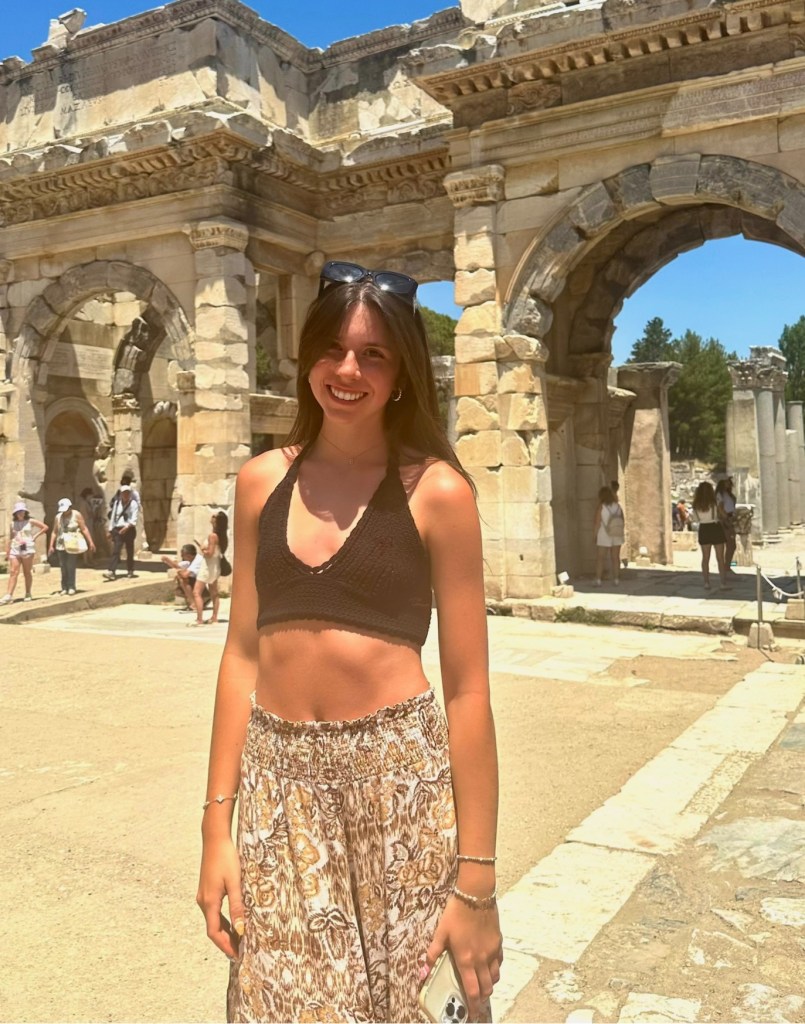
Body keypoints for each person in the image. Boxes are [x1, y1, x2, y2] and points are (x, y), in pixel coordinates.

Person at [196, 260, 501, 1023]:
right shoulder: (260, 482)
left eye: (373, 355)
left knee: (408, 1006)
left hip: (398, 788)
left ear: (401, 373)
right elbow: (241, 657)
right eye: (331, 349)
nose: (347, 371)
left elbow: (468, 692)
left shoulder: (437, 492)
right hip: (278, 787)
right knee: (274, 1005)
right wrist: (214, 829)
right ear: (306, 359)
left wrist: (476, 885)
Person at [1, 501, 48, 605]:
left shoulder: (30, 521)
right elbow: (11, 537)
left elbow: (45, 527)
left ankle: (28, 592)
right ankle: (9, 594)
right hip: (15, 548)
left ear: (25, 512)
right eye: (18, 511)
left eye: (22, 511)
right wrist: (8, 550)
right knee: (13, 571)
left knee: (27, 572)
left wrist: (35, 536)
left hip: (27, 548)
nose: (20, 513)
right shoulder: (13, 523)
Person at [48, 497, 96, 596]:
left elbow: (84, 528)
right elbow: (54, 532)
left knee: (70, 565)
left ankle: (71, 586)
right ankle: (64, 587)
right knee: (63, 566)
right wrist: (51, 545)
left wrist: (90, 542)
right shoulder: (58, 517)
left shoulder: (76, 515)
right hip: (61, 544)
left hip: (72, 543)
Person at [191, 511, 228, 626]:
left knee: (196, 592)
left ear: (216, 521)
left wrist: (203, 549)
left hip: (207, 566)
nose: (211, 517)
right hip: (215, 566)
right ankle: (214, 617)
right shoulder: (222, 536)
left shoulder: (212, 536)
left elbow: (210, 553)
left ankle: (199, 619)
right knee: (214, 593)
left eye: (214, 516)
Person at [692, 481, 728, 590]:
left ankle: (706, 582)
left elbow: (695, 520)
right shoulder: (716, 502)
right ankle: (722, 583)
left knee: (705, 558)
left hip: (704, 529)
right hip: (715, 527)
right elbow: (723, 515)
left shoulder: (696, 505)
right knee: (720, 558)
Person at [104, 485, 139, 581]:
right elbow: (113, 517)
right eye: (124, 493)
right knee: (116, 550)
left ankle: (130, 569)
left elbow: (134, 519)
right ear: (121, 494)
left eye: (127, 493)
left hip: (129, 529)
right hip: (118, 529)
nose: (126, 495)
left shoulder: (133, 504)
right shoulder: (117, 503)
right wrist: (110, 530)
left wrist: (126, 527)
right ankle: (111, 571)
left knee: (129, 550)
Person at [593, 484, 625, 585]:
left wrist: (594, 535)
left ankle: (598, 579)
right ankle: (616, 579)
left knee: (600, 558)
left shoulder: (601, 507)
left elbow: (597, 523)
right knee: (615, 557)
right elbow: (622, 521)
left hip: (604, 533)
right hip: (617, 534)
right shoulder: (618, 507)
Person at [161, 543, 208, 611]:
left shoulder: (198, 560)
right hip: (198, 584)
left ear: (188, 555)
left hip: (203, 587)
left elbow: (185, 575)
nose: (182, 556)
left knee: (183, 579)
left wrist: (178, 572)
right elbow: (177, 566)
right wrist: (167, 561)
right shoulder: (190, 561)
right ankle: (192, 602)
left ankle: (194, 604)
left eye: (183, 555)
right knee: (180, 583)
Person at [715, 477, 737, 573]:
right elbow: (720, 508)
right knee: (729, 544)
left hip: (731, 518)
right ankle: (725, 566)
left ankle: (727, 565)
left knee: (732, 545)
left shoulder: (729, 494)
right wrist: (726, 519)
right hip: (725, 520)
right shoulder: (719, 494)